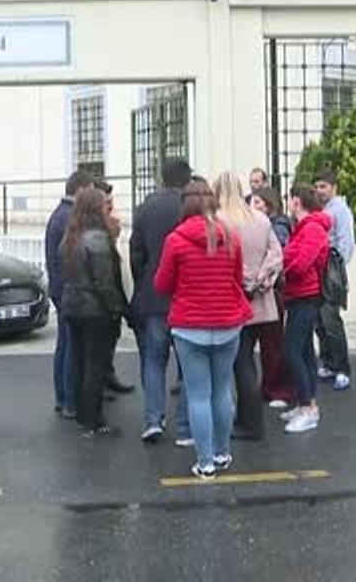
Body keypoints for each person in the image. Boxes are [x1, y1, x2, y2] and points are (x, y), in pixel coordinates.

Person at [154, 181, 252, 479]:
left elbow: (162, 284)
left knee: (198, 395)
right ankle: (223, 452)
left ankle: (205, 461)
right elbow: (237, 278)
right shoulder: (231, 237)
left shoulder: (175, 240)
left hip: (189, 327)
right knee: (222, 391)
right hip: (227, 323)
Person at [129, 158, 193, 444]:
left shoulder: (145, 209)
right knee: (189, 363)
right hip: (186, 296)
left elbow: (136, 253)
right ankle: (184, 426)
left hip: (154, 297)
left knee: (154, 360)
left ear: (163, 179)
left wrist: (144, 282)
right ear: (187, 179)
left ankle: (154, 419)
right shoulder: (192, 208)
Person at [215, 172, 282, 441]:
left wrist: (244, 281)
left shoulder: (220, 221)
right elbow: (276, 254)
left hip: (233, 299)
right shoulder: (261, 218)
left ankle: (250, 423)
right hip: (260, 299)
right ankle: (247, 418)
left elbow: (225, 260)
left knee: (241, 364)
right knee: (247, 361)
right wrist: (259, 281)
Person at [60, 188, 129, 437]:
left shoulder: (71, 237)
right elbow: (104, 282)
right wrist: (116, 309)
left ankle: (82, 416)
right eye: (104, 204)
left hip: (74, 308)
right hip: (95, 311)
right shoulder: (98, 238)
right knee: (95, 366)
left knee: (80, 363)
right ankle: (94, 420)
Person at [45, 170, 96, 419]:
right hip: (69, 289)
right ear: (80, 190)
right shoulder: (70, 217)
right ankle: (69, 400)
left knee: (63, 345)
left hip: (59, 287)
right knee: (71, 348)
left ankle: (62, 397)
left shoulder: (58, 214)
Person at [281, 184, 332, 434]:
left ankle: (308, 408)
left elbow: (301, 264)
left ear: (297, 201)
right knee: (304, 352)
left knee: (292, 351)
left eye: (289, 199)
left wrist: (282, 269)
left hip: (306, 296)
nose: (288, 203)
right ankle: (306, 401)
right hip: (298, 296)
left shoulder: (312, 229)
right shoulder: (303, 228)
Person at [248, 187, 297, 409]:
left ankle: (279, 389)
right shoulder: (256, 226)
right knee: (265, 344)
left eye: (257, 203)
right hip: (260, 290)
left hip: (271, 291)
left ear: (268, 205)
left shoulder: (277, 226)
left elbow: (276, 256)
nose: (253, 207)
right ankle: (268, 387)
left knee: (272, 344)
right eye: (251, 202)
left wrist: (259, 278)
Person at [312, 169, 356, 391]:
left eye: (324, 186)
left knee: (331, 321)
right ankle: (329, 363)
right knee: (320, 321)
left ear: (334, 187)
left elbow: (346, 243)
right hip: (319, 271)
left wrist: (335, 264)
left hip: (331, 272)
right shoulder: (323, 209)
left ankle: (342, 369)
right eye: (317, 187)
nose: (320, 191)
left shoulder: (340, 210)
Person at [94, 179, 135, 397]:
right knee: (100, 346)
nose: (111, 205)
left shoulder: (111, 222)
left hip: (115, 285)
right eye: (107, 201)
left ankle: (108, 376)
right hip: (103, 296)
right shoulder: (96, 228)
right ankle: (100, 384)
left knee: (111, 338)